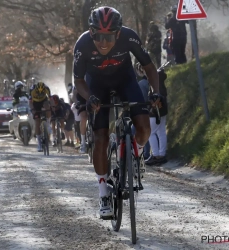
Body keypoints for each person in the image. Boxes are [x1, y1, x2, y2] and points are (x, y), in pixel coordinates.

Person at [73, 6, 160, 218]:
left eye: (109, 37)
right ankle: (103, 193)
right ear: (92, 33)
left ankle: (136, 154)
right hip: (97, 86)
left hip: (125, 79)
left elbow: (149, 67)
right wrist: (89, 97)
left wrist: (156, 92)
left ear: (118, 33)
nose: (103, 43)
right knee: (100, 138)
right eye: (98, 37)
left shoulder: (129, 37)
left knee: (144, 127)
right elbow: (78, 80)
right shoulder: (82, 44)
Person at [145, 68, 168, 166]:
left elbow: (155, 99)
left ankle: (155, 155)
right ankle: (162, 154)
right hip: (163, 112)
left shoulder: (156, 86)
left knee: (151, 133)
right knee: (161, 132)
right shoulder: (162, 86)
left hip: (155, 113)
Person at [29, 81, 52, 152]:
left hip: (43, 101)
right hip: (35, 103)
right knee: (37, 122)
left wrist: (52, 107)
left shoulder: (47, 89)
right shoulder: (32, 90)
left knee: (47, 107)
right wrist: (32, 109)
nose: (39, 94)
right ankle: (39, 143)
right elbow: (30, 102)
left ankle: (48, 123)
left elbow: (50, 99)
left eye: (41, 92)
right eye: (38, 92)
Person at [72, 85, 88, 154]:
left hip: (92, 97)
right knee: (83, 117)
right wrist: (77, 102)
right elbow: (74, 96)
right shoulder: (79, 80)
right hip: (81, 100)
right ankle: (83, 143)